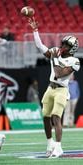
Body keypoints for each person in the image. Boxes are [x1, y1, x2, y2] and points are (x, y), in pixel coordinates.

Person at [28, 17, 80, 158]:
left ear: (72, 48)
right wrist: (35, 30)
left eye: (66, 45)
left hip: (61, 90)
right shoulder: (57, 52)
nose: (62, 47)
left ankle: (58, 147)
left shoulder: (74, 61)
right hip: (50, 89)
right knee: (45, 117)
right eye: (62, 44)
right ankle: (49, 144)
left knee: (56, 118)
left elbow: (59, 74)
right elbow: (40, 47)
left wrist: (55, 58)